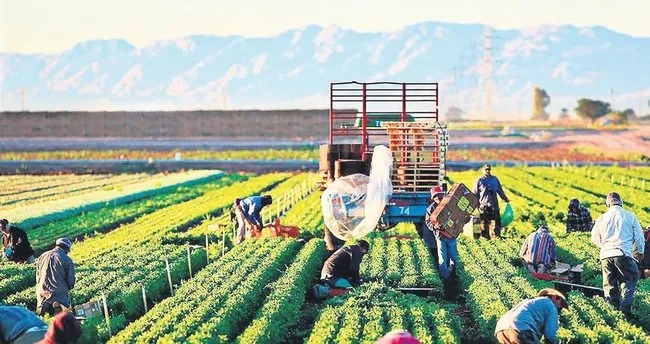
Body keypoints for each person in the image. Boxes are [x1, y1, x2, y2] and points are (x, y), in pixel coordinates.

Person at [591, 192, 644, 318]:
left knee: (609, 284)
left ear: (608, 204)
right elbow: (640, 236)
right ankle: (624, 310)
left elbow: (593, 238)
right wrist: (640, 252)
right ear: (621, 202)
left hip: (606, 255)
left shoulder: (602, 218)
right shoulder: (630, 216)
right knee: (629, 279)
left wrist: (605, 246)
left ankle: (613, 312)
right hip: (623, 252)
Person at [494, 288, 569, 344]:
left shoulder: (530, 302)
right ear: (555, 297)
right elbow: (550, 334)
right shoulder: (551, 305)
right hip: (521, 329)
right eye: (561, 305)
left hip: (501, 330)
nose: (560, 308)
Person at [36, 238, 76, 316]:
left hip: (42, 294)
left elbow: (38, 277)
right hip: (59, 296)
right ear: (66, 249)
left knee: (44, 321)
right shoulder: (67, 259)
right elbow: (70, 282)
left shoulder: (42, 256)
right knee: (62, 321)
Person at [473, 164, 510, 239]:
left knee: (497, 223)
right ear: (483, 170)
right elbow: (475, 194)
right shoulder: (479, 180)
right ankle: (486, 238)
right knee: (485, 224)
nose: (487, 171)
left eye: (489, 169)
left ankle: (497, 237)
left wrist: (505, 198)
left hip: (494, 205)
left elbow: (500, 190)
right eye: (486, 170)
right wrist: (477, 205)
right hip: (484, 206)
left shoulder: (494, 179)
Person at [416, 186, 444, 266]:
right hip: (439, 236)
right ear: (433, 198)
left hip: (449, 237)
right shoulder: (430, 209)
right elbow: (428, 222)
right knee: (439, 255)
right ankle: (443, 272)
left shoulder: (448, 205)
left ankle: (451, 275)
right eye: (436, 196)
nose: (438, 197)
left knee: (452, 257)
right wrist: (435, 226)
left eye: (440, 195)